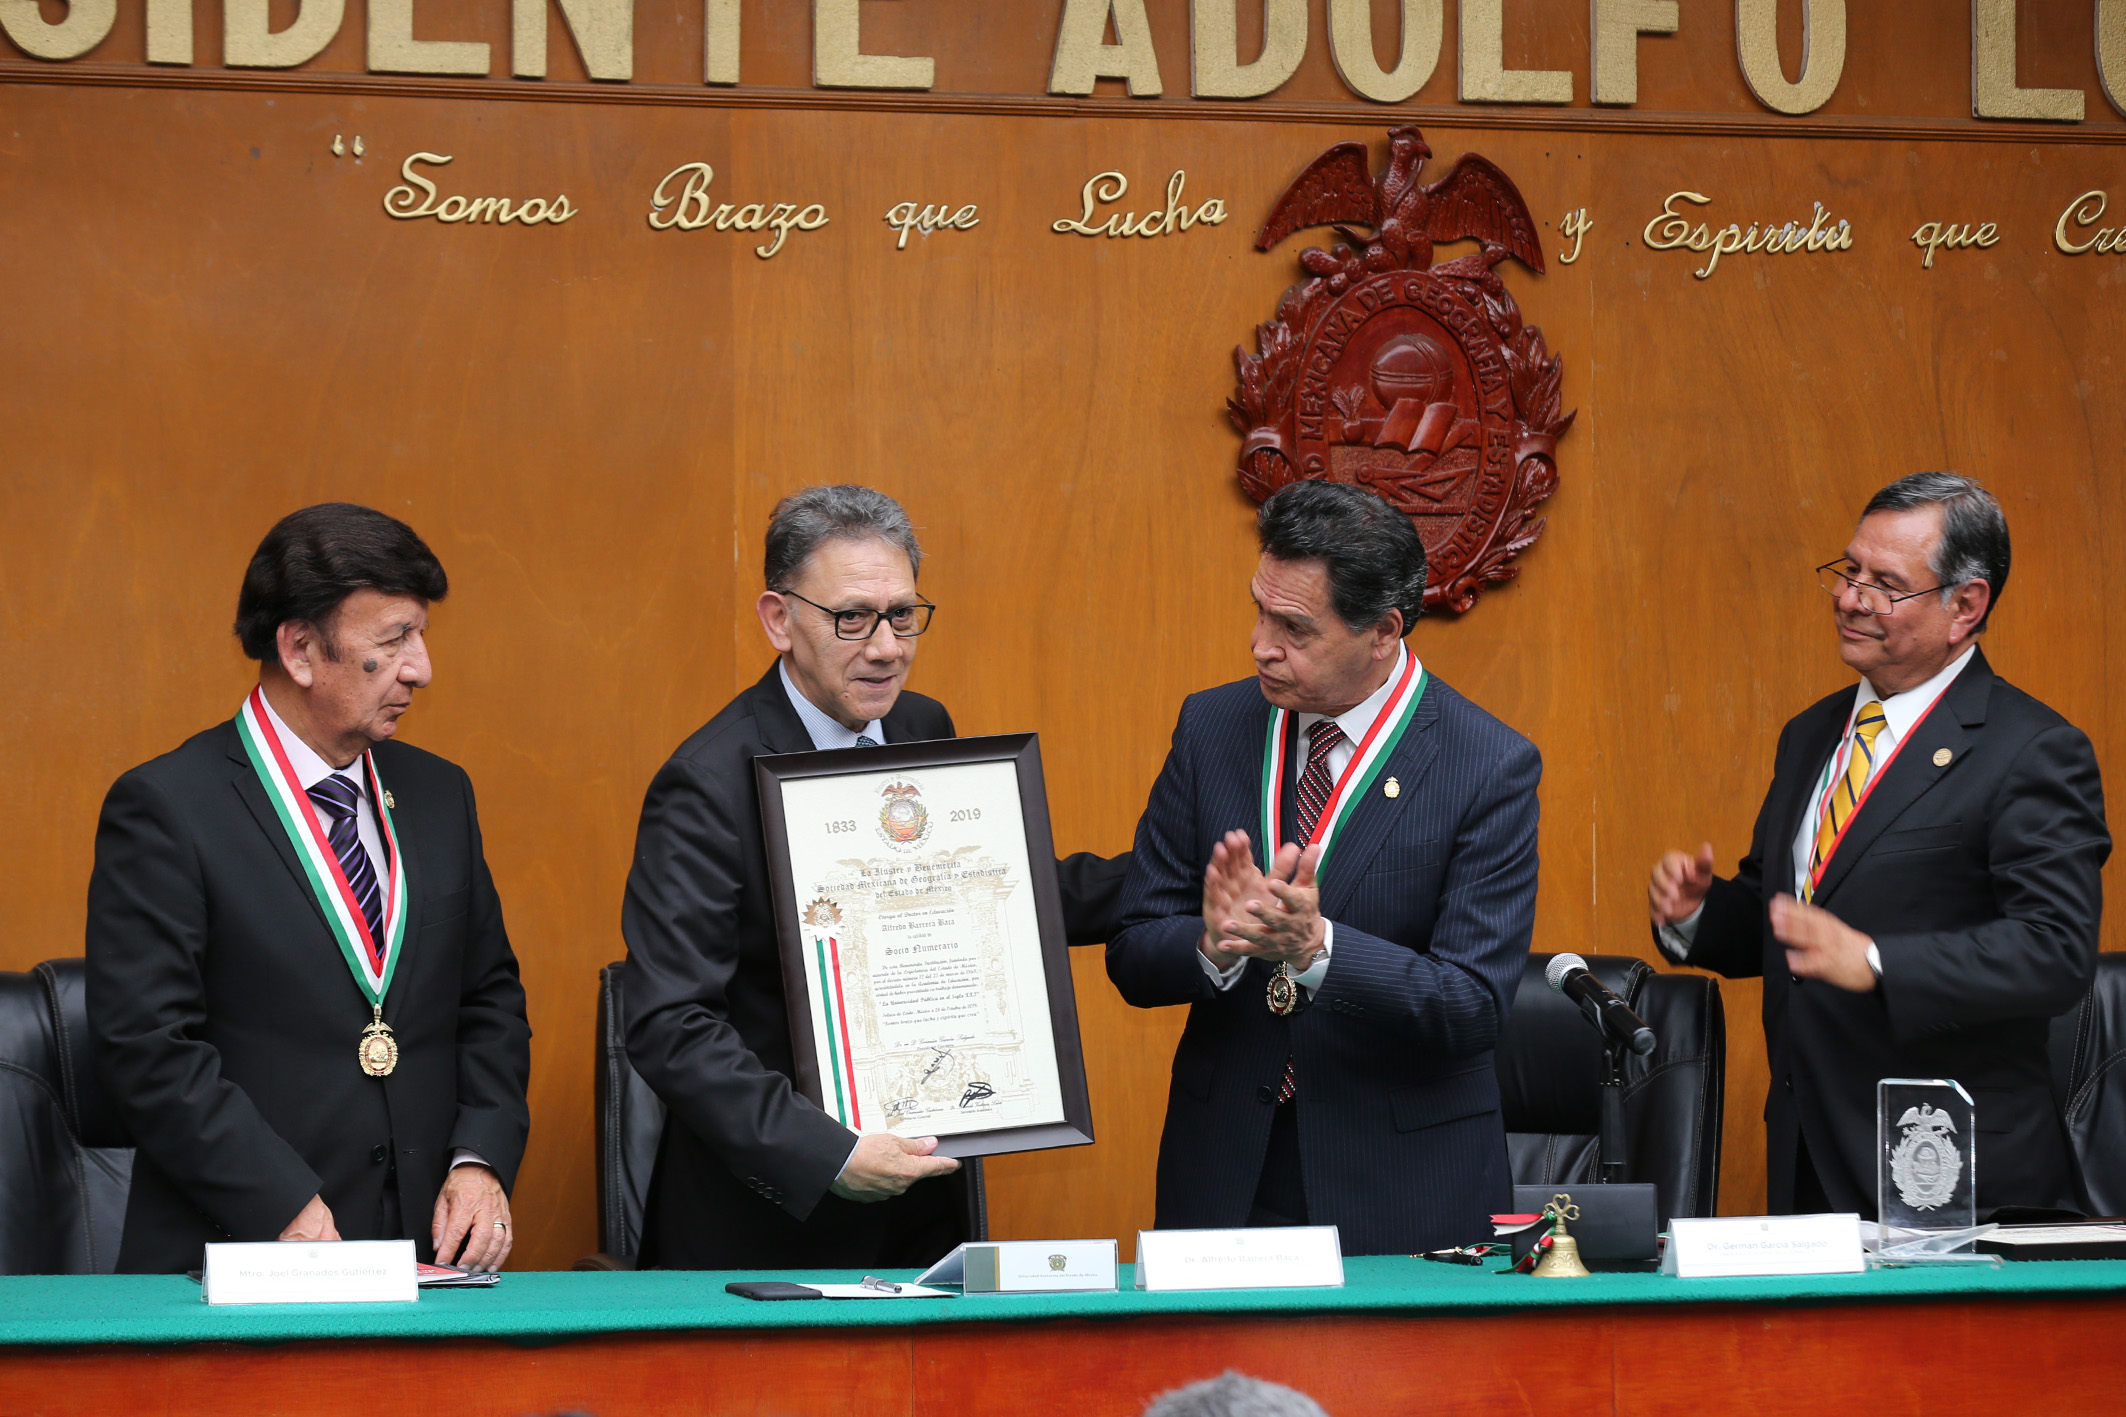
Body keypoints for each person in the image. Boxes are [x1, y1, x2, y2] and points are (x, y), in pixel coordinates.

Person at [622, 484, 1129, 1270]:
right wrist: (825, 1153)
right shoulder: (706, 781)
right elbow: (671, 1023)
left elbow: (1002, 893)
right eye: (853, 617)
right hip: (764, 1235)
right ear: (779, 619)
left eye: (902, 614)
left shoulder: (924, 725)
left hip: (924, 1208)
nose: (888, 646)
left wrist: (1175, 882)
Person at [87, 504, 532, 1274]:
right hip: (238, 1258)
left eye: (420, 634)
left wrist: (478, 1158)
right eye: (394, 638)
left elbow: (488, 996)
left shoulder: (440, 795)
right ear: (298, 649)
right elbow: (148, 1047)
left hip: (425, 1262)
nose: (421, 667)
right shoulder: (168, 807)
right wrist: (280, 1201)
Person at [1647, 472, 2107, 1217]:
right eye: (1849, 570)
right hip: (1809, 1165)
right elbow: (1790, 921)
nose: (1849, 598)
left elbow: (2053, 952)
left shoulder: (2033, 749)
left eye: (1886, 584)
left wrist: (1874, 961)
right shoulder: (1810, 734)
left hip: (1950, 1178)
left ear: (1966, 606)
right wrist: (1698, 914)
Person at [1107, 480, 1540, 1256]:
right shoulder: (1212, 727)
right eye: (1259, 610)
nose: (1260, 644)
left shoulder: (1487, 765)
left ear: (1383, 631)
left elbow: (1472, 1002)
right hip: (1230, 1174)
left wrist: (1319, 950)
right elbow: (1134, 947)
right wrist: (1211, 944)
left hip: (1403, 1185)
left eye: (1295, 628)